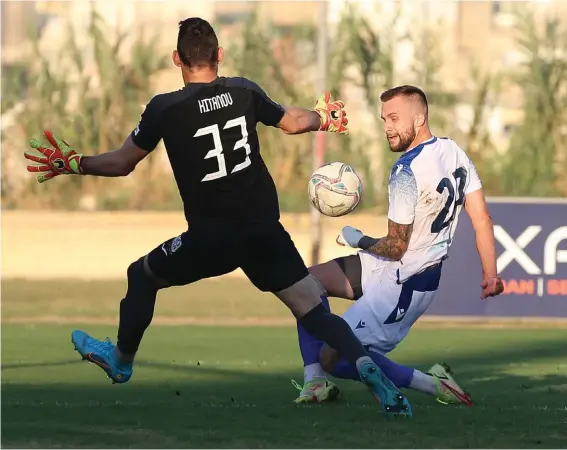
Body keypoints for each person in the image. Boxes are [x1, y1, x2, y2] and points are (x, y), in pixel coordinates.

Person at [24, 18, 412, 417]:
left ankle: (121, 360)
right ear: (219, 55)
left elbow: (124, 163)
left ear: (177, 59)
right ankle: (367, 368)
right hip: (264, 232)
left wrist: (75, 163)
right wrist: (323, 118)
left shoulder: (164, 108)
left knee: (141, 275)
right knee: (311, 308)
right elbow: (294, 121)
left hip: (210, 239)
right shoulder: (243, 91)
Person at [292, 85, 504, 405]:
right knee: (304, 284)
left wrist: (357, 239)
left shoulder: (406, 170)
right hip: (392, 267)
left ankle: (432, 385)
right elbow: (482, 218)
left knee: (334, 356)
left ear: (419, 118)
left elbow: (395, 247)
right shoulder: (454, 152)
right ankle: (314, 382)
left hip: (406, 282)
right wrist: (491, 273)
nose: (387, 127)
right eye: (384, 119)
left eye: (394, 118)